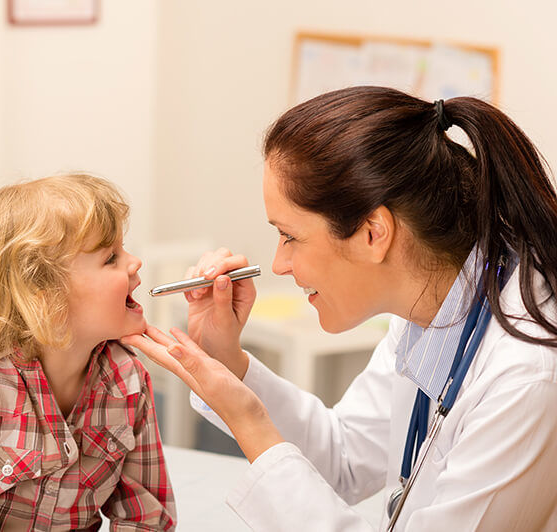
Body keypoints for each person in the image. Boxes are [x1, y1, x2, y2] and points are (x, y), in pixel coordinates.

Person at [123, 86, 557, 530]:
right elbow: (345, 460)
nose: (278, 265)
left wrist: (250, 422)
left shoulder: (527, 377)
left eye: (290, 236)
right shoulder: (431, 309)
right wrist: (226, 361)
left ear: (373, 233)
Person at [0, 174, 176, 531]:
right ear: (44, 299)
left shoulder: (129, 381)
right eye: (111, 258)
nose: (135, 263)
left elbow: (146, 516)